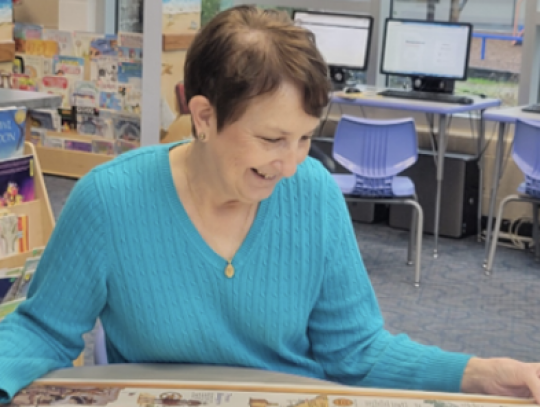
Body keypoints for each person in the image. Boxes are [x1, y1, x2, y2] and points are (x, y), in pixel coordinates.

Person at [0, 5, 539, 403]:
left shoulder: (315, 194)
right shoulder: (109, 200)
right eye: (272, 139)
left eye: (305, 138)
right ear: (205, 117)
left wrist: (481, 373)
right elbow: (43, 329)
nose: (292, 162)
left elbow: (355, 352)